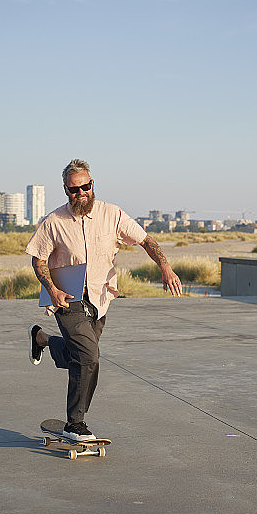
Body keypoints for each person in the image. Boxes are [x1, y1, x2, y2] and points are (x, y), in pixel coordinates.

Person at [26, 159, 182, 441]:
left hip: (100, 298)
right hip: (67, 298)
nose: (80, 193)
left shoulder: (113, 214)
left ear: (92, 184)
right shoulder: (54, 222)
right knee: (88, 357)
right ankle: (75, 423)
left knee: (79, 356)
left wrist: (165, 267)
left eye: (84, 187)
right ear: (66, 190)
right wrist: (52, 290)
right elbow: (38, 260)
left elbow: (146, 240)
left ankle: (41, 339)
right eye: (74, 189)